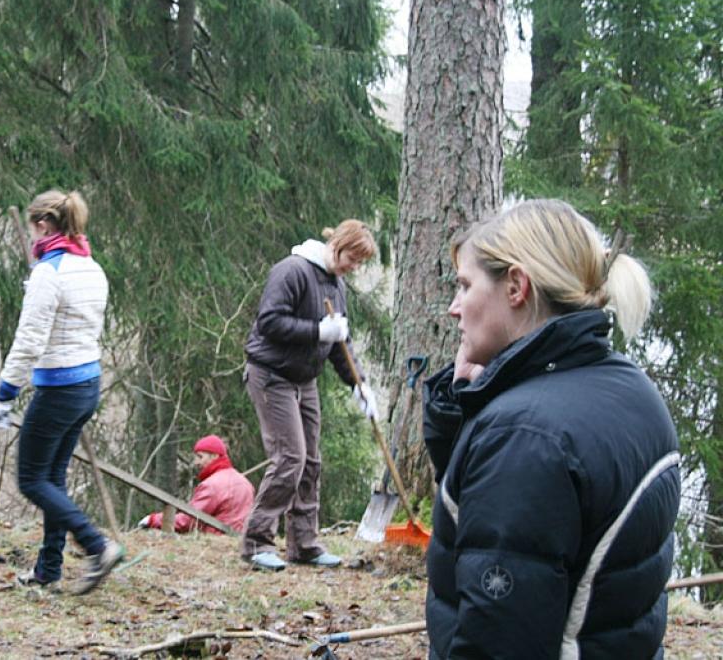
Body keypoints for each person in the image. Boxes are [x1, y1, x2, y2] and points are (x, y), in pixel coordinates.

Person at [422, 199, 680, 659]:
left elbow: (499, 644)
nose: (453, 308)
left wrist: (496, 419)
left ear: (516, 286)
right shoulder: (627, 386)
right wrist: (465, 416)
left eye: (465, 286)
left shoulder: (524, 436)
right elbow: (502, 531)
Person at [0, 189, 124, 595]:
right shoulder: (89, 265)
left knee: (31, 479)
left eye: (34, 228)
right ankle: (49, 568)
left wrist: (5, 393)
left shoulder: (50, 272)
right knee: (52, 478)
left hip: (60, 388)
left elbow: (29, 340)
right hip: (86, 384)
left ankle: (97, 545)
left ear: (44, 225)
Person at [241, 220, 378, 571]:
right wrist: (318, 330)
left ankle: (304, 543)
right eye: (353, 258)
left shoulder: (336, 285)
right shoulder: (291, 271)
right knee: (290, 457)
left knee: (311, 462)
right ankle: (257, 543)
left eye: (360, 263)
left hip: (305, 380)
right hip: (271, 374)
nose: (354, 266)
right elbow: (270, 321)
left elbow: (338, 344)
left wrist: (358, 384)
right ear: (338, 245)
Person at [139, 435, 255, 535]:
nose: (196, 462)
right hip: (241, 545)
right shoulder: (245, 483)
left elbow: (188, 520)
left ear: (214, 456)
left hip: (214, 546)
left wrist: (153, 520)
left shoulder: (211, 485)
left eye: (200, 457)